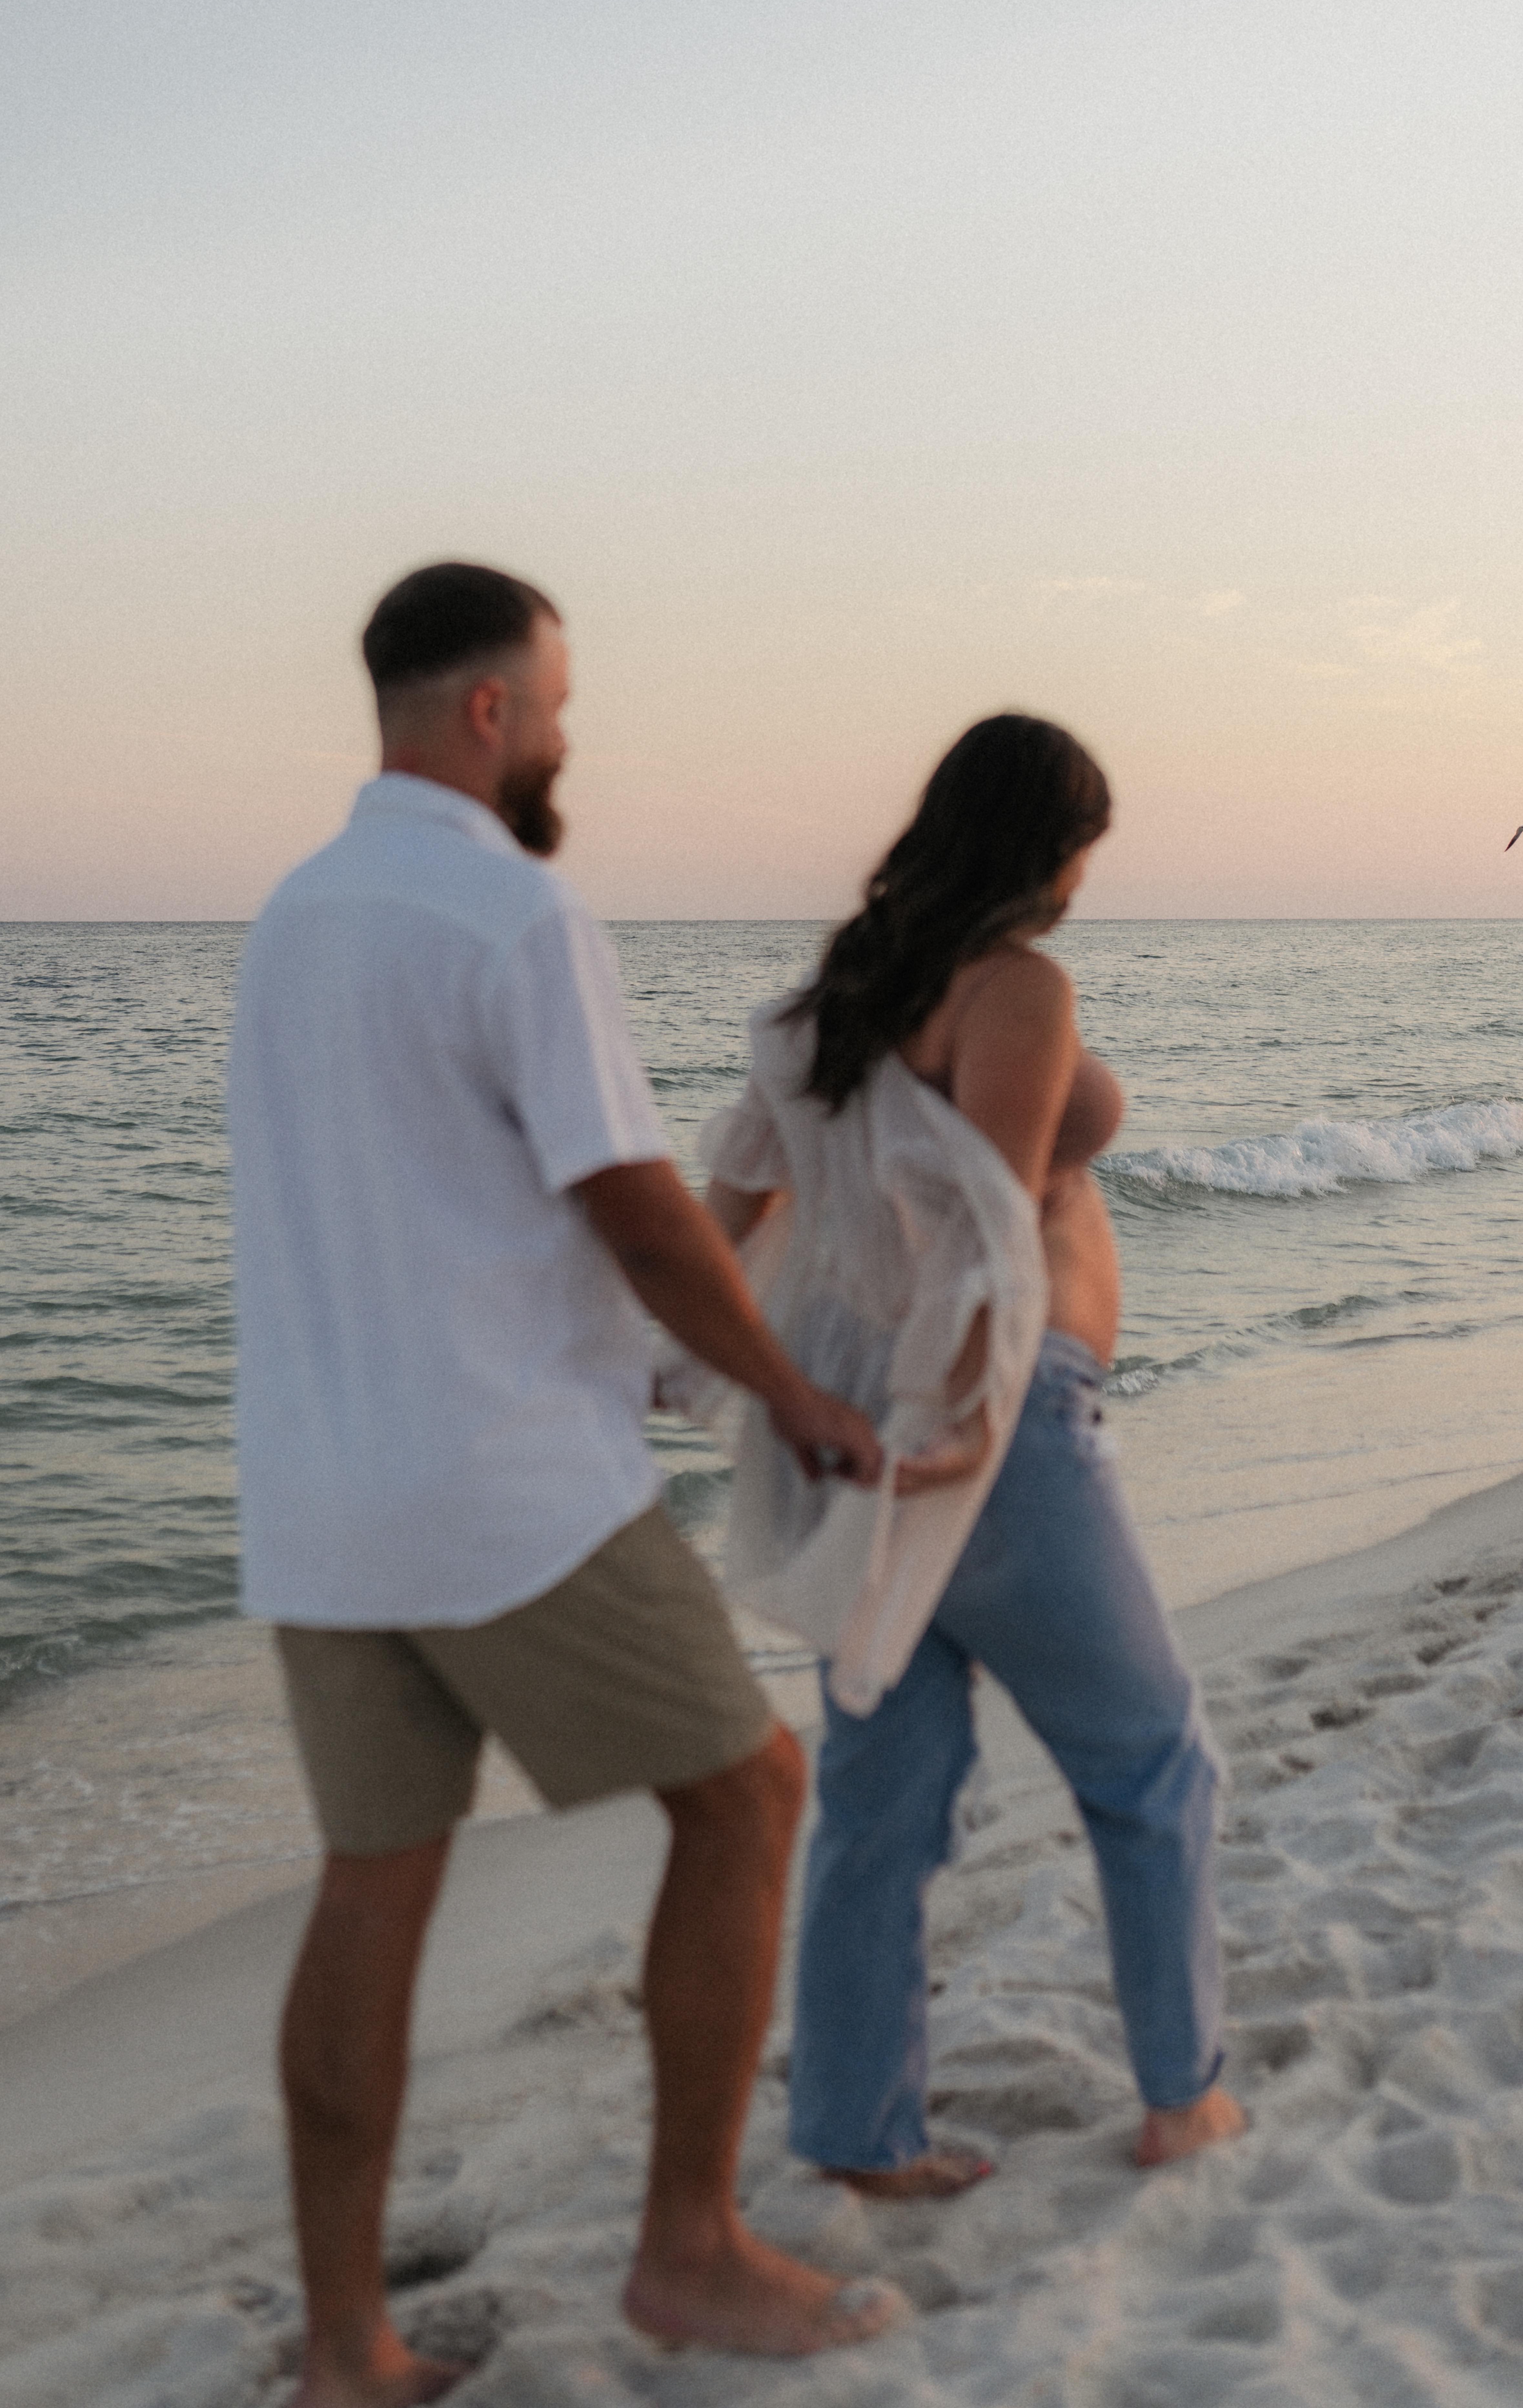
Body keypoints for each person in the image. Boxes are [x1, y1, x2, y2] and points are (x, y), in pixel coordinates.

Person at [227, 561, 909, 2406]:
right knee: (750, 1798)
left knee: (374, 1885)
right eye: (559, 702)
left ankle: (348, 2346)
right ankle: (687, 2251)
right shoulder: (508, 912)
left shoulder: (294, 919)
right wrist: (784, 1395)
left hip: (318, 1500)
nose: (567, 736)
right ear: (488, 713)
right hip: (503, 1485)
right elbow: (630, 1196)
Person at [702, 714, 1245, 2199]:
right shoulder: (1015, 987)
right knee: (1151, 1762)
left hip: (861, 1434)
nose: (1084, 877)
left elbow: (732, 1210)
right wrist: (957, 1428)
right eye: (1083, 846)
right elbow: (992, 1241)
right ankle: (1181, 2102)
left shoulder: (838, 999)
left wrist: (779, 1401)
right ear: (1042, 848)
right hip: (993, 1438)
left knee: (887, 1794)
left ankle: (855, 2139)